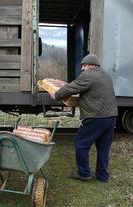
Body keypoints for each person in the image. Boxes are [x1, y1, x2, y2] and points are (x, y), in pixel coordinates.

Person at [50, 54, 118, 183]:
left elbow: (72, 88)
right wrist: (65, 84)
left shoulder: (89, 75)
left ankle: (84, 173)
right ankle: (103, 177)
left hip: (96, 117)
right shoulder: (105, 75)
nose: (82, 69)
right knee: (103, 147)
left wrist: (56, 95)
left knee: (81, 144)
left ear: (90, 65)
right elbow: (82, 86)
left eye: (83, 66)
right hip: (111, 116)